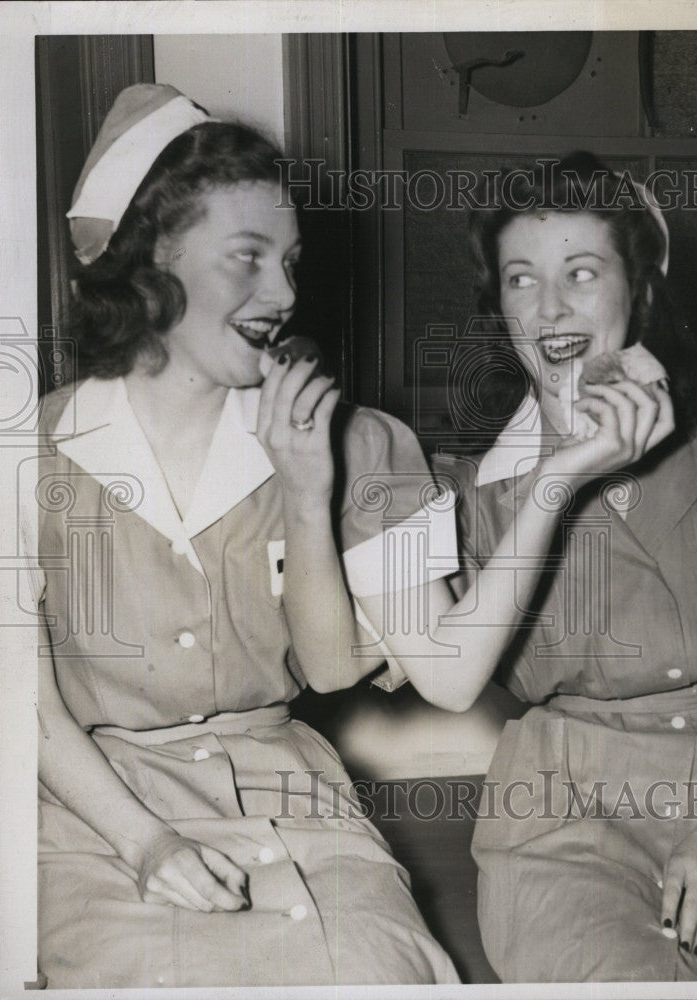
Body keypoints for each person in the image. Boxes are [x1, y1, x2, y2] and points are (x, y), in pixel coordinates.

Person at [33, 83, 461, 988]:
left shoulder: (351, 443)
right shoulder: (25, 456)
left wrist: (309, 497)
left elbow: (336, 671)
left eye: (292, 261)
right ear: (152, 260)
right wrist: (147, 845)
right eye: (248, 259)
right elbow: (22, 705)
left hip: (292, 793)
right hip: (94, 814)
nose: (285, 293)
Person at [438, 151, 697, 982]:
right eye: (520, 280)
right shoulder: (463, 493)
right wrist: (556, 475)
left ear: (635, 289)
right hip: (562, 816)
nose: (550, 308)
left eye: (581, 272)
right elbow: (444, 675)